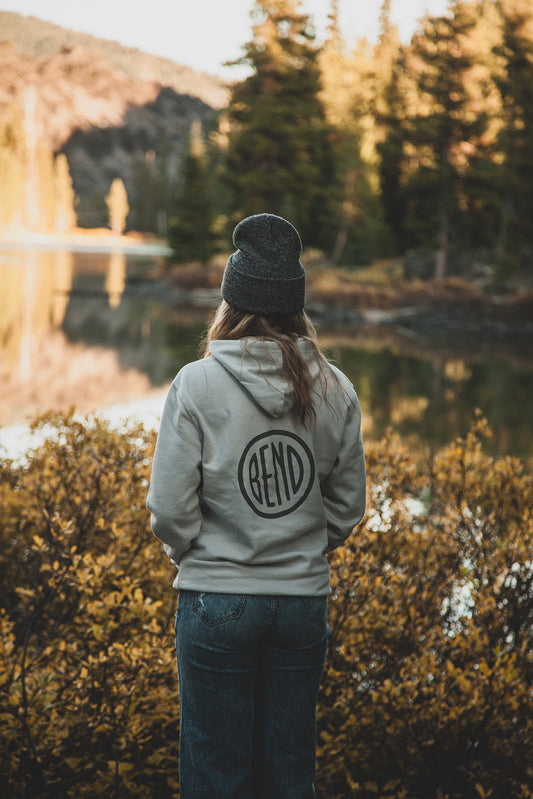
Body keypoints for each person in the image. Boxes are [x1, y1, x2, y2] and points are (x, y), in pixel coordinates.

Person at [147, 213, 366, 799]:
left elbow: (169, 509)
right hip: (302, 605)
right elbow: (347, 508)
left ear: (230, 302)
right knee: (290, 774)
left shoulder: (195, 384)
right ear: (296, 306)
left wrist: (198, 556)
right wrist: (297, 549)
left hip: (217, 598)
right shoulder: (336, 388)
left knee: (216, 776)